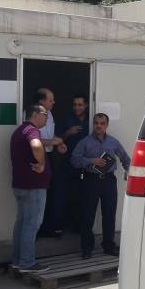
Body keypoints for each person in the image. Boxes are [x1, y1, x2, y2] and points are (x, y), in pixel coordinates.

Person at [70, 113, 130, 258]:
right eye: (96, 123)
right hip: (90, 181)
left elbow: (125, 158)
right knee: (87, 215)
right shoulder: (85, 142)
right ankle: (86, 249)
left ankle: (109, 246)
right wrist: (92, 161)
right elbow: (74, 160)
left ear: (107, 125)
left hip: (108, 181)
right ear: (93, 123)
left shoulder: (113, 142)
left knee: (109, 214)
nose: (99, 126)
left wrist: (128, 170)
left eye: (102, 123)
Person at [10, 104, 53, 273]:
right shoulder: (32, 130)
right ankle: (27, 263)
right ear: (35, 114)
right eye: (45, 114)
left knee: (21, 223)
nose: (47, 117)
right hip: (33, 187)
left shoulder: (19, 130)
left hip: (21, 185)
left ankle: (17, 260)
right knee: (32, 224)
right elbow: (36, 145)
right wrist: (41, 164)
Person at [40, 94, 89, 236]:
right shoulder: (66, 119)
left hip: (85, 165)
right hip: (67, 163)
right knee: (60, 195)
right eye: (74, 105)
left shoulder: (91, 121)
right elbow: (56, 139)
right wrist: (68, 133)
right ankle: (57, 227)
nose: (77, 107)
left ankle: (78, 227)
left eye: (80, 105)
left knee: (81, 196)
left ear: (86, 105)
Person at [36, 88, 67, 238]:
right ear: (41, 101)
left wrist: (58, 143)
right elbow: (33, 140)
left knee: (52, 192)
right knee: (38, 195)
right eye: (50, 99)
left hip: (49, 156)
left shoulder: (50, 114)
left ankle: (49, 227)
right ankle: (36, 231)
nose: (54, 102)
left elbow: (50, 134)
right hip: (37, 157)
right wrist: (53, 142)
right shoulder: (32, 114)